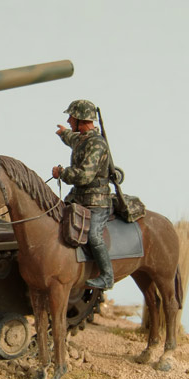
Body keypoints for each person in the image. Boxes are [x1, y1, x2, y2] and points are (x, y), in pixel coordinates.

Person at [52, 99, 114, 290]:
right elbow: (72, 139)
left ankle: (107, 276)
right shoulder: (83, 138)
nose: (69, 120)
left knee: (94, 236)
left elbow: (85, 176)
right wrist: (63, 133)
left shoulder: (97, 144)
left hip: (96, 201)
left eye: (72, 117)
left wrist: (62, 173)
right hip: (78, 197)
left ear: (81, 120)